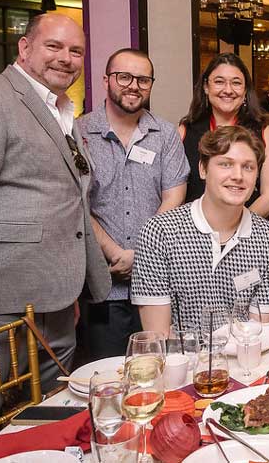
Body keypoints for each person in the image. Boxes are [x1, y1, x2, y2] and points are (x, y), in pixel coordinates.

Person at [0, 13, 111, 456]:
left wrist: (74, 284)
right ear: (24, 48)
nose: (66, 58)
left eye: (76, 51)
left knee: (46, 420)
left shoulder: (65, 112)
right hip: (0, 302)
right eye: (54, 46)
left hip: (56, 301)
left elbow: (71, 199)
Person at [77, 48, 189, 358]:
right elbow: (77, 204)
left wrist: (141, 253)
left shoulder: (165, 134)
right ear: (106, 80)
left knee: (160, 368)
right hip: (103, 284)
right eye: (124, 77)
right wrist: (115, 253)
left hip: (157, 283)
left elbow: (174, 197)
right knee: (108, 372)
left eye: (143, 79)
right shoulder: (79, 133)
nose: (133, 85)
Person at [131, 126, 269, 335]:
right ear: (203, 169)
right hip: (182, 362)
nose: (238, 176)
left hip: (243, 362)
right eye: (225, 164)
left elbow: (257, 334)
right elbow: (158, 337)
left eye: (248, 167)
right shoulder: (159, 233)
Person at [179, 53, 269, 217]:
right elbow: (176, 193)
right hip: (193, 233)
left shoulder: (264, 133)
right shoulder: (185, 131)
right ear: (206, 87)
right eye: (219, 82)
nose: (228, 90)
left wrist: (234, 230)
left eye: (236, 83)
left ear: (245, 90)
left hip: (247, 233)